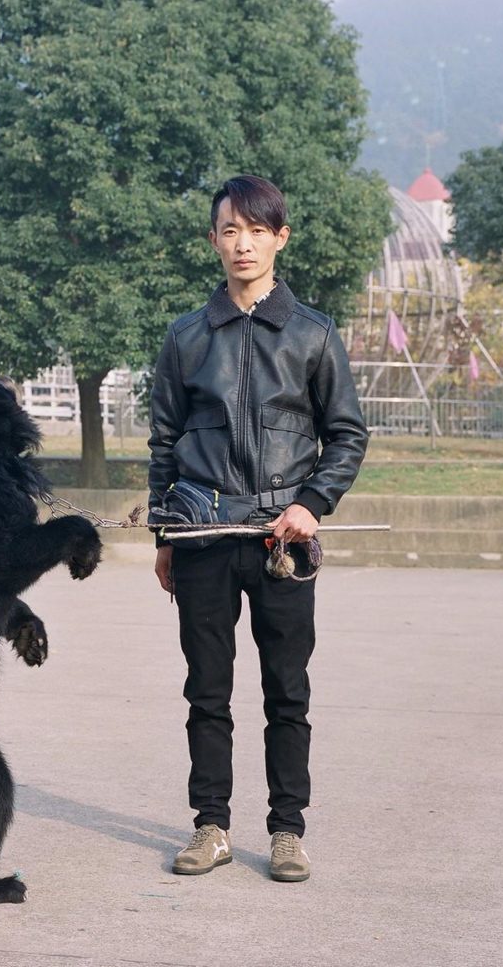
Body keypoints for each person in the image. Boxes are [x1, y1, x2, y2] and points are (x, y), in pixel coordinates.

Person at [148, 174, 368, 881]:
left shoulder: (313, 335)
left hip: (282, 540)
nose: (242, 243)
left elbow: (347, 436)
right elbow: (162, 444)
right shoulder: (186, 338)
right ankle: (210, 826)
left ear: (280, 238)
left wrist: (312, 504)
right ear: (213, 240)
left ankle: (286, 831)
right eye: (230, 231)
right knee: (206, 690)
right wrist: (165, 534)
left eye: (256, 229)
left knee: (287, 691)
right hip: (205, 537)